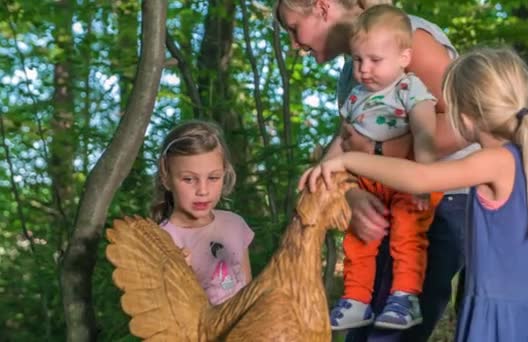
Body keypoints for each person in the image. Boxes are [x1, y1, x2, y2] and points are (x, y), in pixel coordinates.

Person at [302, 47, 528, 342]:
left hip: (497, 320)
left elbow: (420, 178)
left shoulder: (495, 161)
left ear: (465, 115)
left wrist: (347, 160)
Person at [276, 0, 478, 340]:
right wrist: (352, 194)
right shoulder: (354, 75)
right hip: (387, 202)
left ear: (322, 8)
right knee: (366, 331)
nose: (294, 44)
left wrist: (378, 152)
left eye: (294, 29)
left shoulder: (405, 35)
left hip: (441, 199)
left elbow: (468, 119)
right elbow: (347, 145)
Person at [304, 4, 443, 331]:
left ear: (403, 59)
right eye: (358, 60)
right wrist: (324, 172)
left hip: (407, 177)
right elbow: (343, 140)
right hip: (370, 183)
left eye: (375, 60)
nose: (364, 69)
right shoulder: (356, 98)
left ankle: (405, 296)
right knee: (358, 238)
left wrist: (423, 178)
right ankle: (356, 299)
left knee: (407, 234)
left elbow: (425, 132)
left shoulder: (410, 89)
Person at [150, 120, 255, 306]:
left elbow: (248, 292)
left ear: (225, 173)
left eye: (213, 178)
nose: (203, 190)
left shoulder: (235, 225)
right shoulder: (161, 239)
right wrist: (180, 276)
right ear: (166, 178)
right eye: (189, 179)